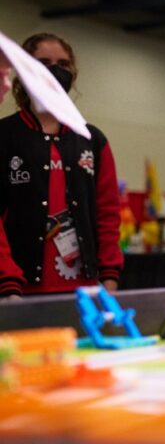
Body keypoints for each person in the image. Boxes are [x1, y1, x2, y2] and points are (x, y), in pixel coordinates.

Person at [0, 33, 123, 298]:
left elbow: (108, 213)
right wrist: (7, 282)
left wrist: (110, 275)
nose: (55, 70)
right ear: (23, 71)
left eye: (63, 64)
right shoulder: (4, 136)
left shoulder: (92, 139)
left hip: (85, 290)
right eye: (43, 63)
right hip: (17, 290)